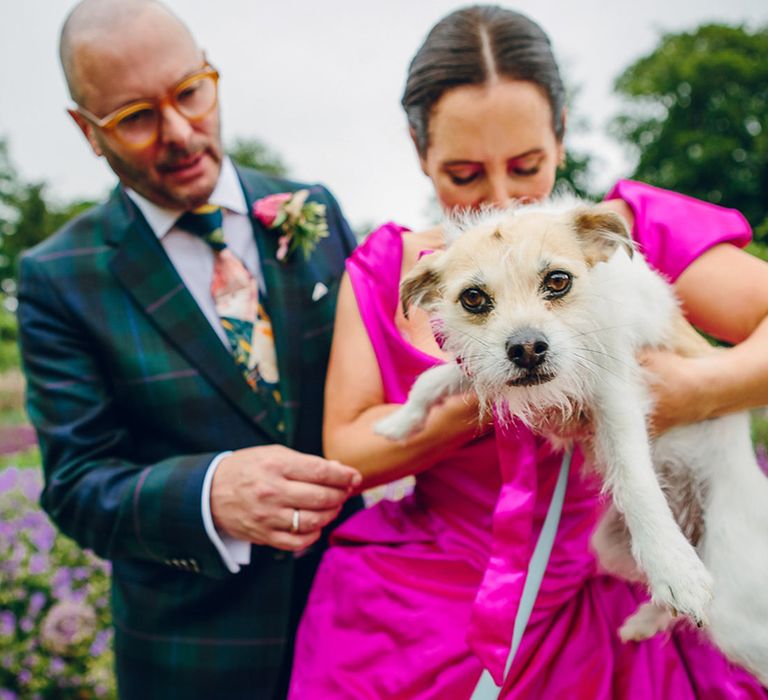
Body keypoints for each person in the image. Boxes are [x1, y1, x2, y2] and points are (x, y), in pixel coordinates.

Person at [289, 5, 768, 698]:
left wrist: (693, 392)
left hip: (602, 589)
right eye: (463, 175)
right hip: (415, 608)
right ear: (419, 151)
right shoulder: (389, 268)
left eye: (526, 166)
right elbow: (349, 448)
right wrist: (491, 389)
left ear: (562, 135)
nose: (503, 200)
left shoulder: (624, 233)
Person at [17, 0, 362, 697]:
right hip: (192, 659)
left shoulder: (314, 209)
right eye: (136, 117)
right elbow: (76, 483)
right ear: (87, 132)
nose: (180, 132)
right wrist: (207, 495)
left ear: (213, 74)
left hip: (356, 624)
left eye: (190, 93)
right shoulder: (57, 276)